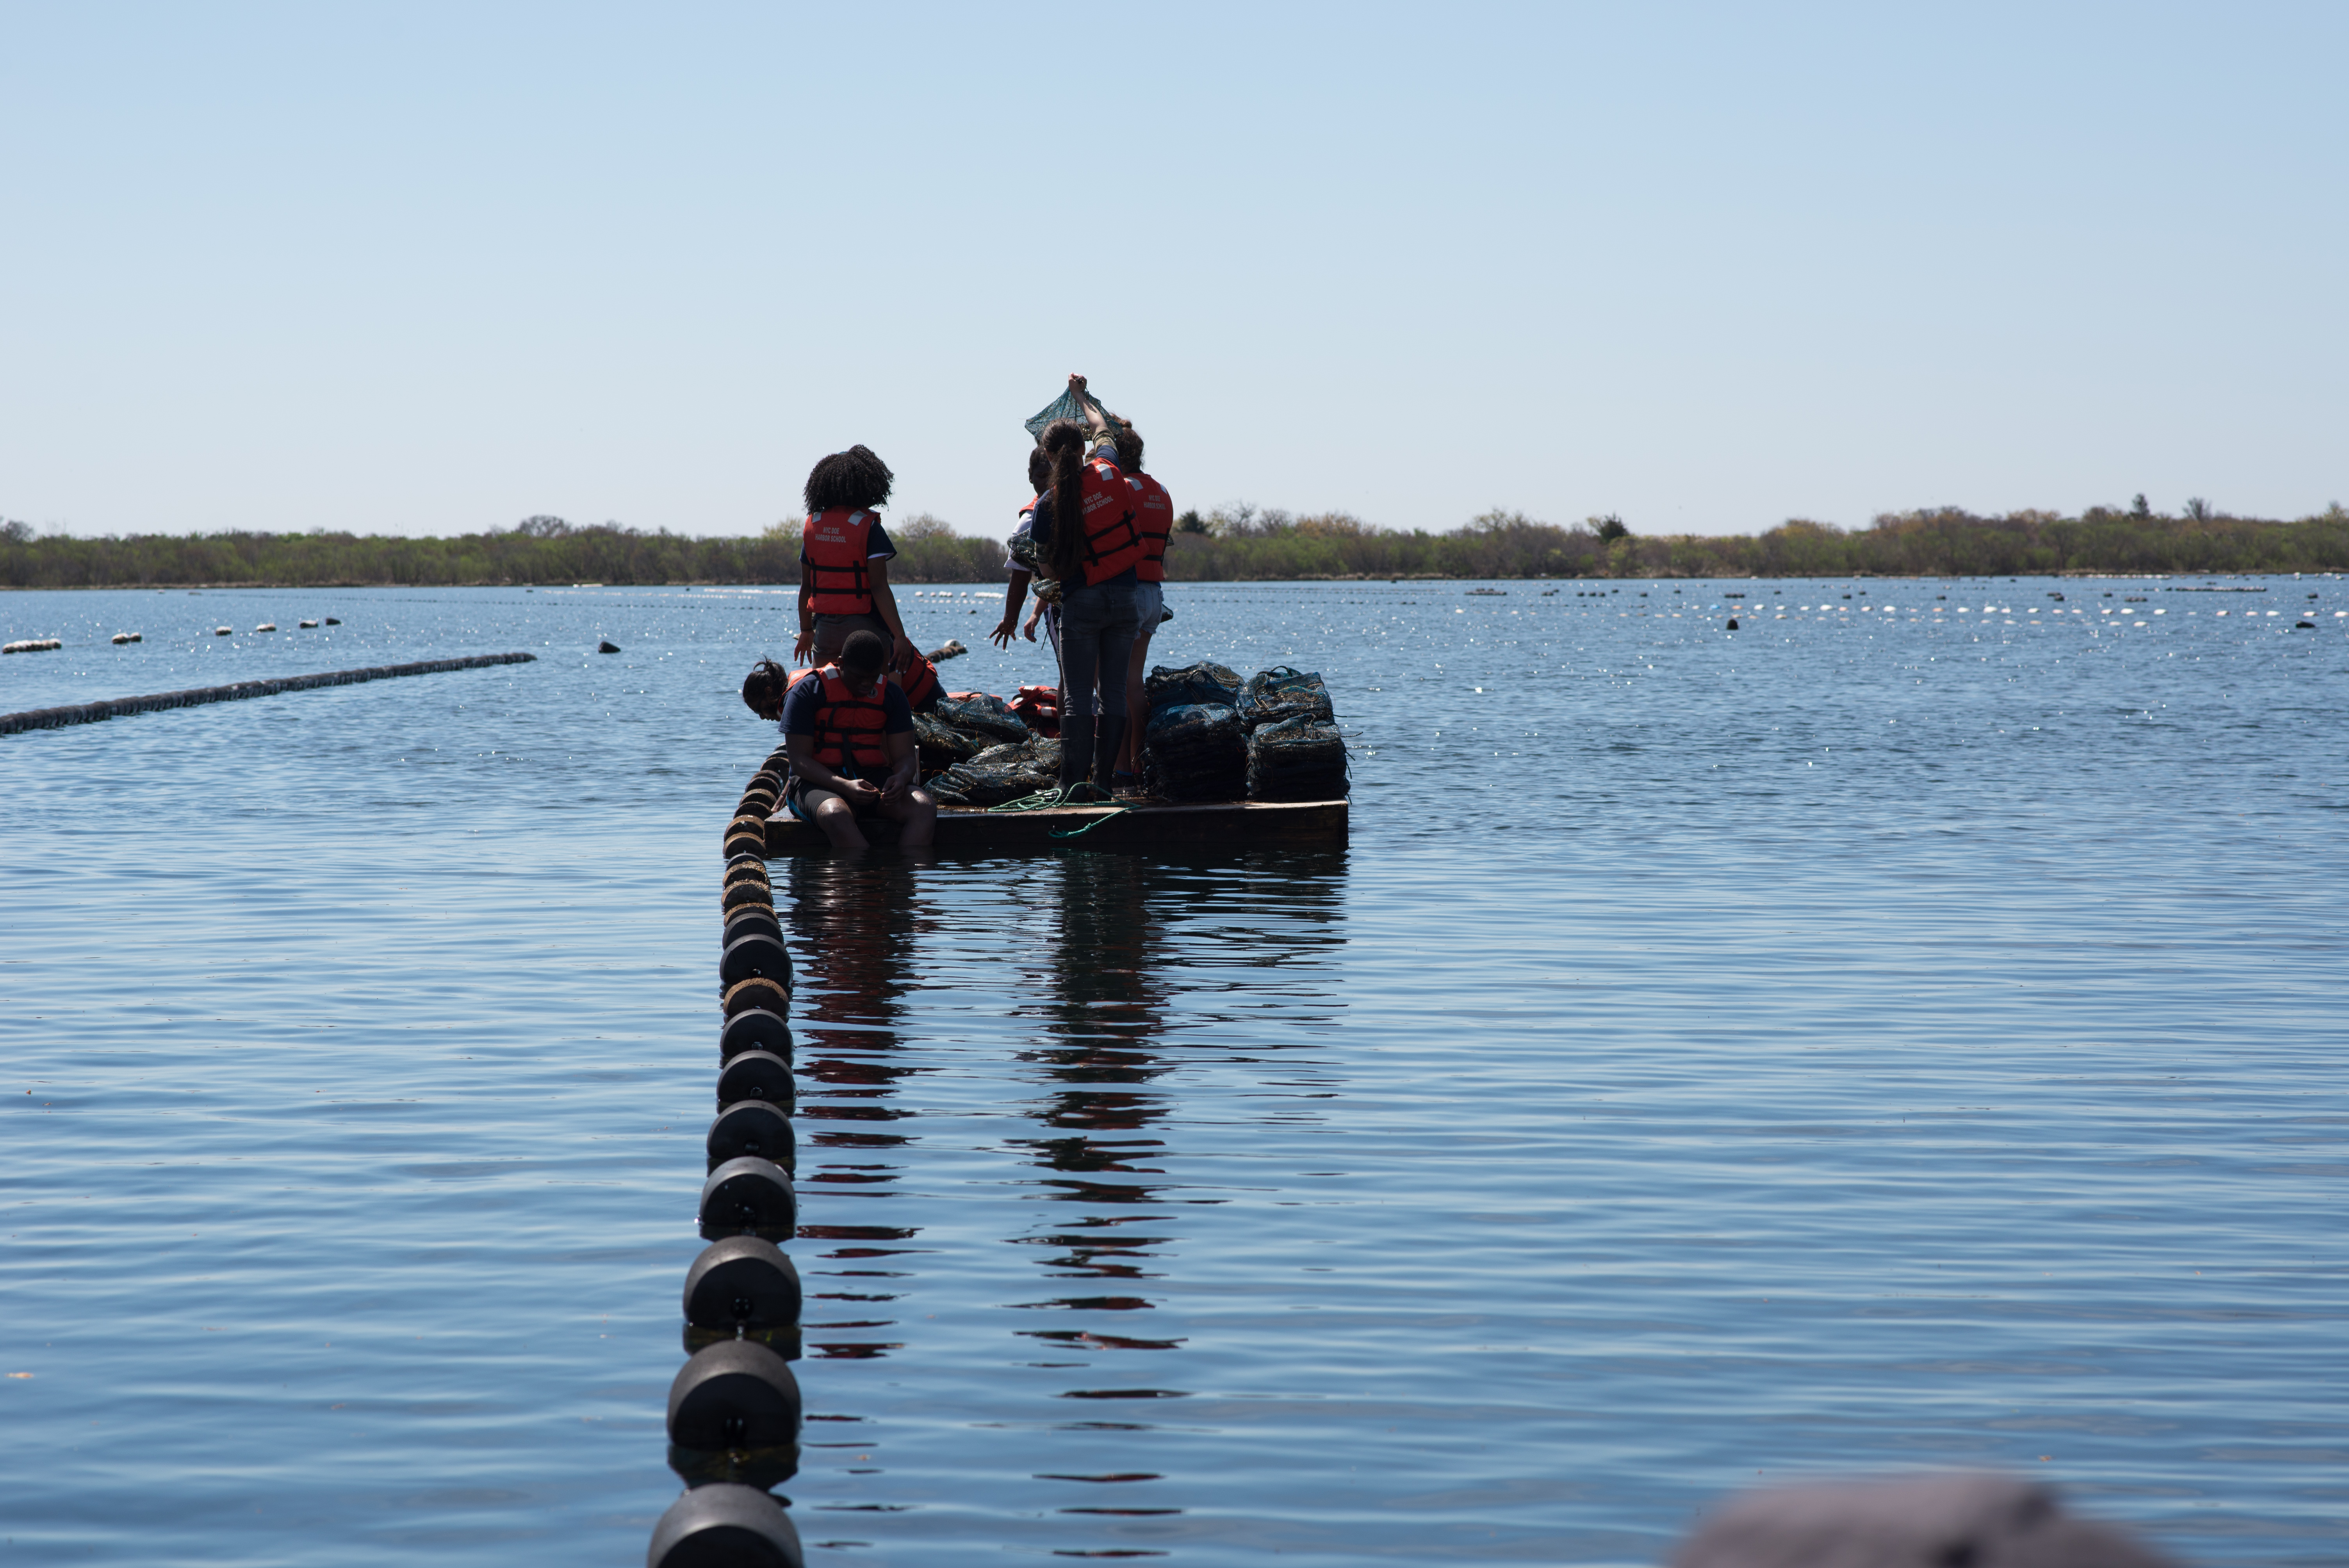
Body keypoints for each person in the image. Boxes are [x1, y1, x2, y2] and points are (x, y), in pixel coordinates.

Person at [1028, 374, 1145, 800]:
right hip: (1126, 599)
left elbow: (1046, 567)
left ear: (1047, 456)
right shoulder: (1110, 469)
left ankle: (1071, 785)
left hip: (1082, 602)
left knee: (1078, 696)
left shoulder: (1048, 503)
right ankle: (1104, 784)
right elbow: (1102, 426)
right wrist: (1080, 396)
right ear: (1084, 448)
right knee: (1113, 692)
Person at [742, 633, 936, 851]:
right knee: (836, 814)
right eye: (859, 677)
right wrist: (845, 786)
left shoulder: (892, 695)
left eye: (872, 678)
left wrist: (900, 778)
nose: (866, 684)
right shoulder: (806, 692)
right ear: (841, 664)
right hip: (815, 784)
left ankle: (905, 870)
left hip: (871, 781)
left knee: (924, 808)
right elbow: (799, 762)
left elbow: (906, 758)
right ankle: (865, 870)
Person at [795, 445, 916, 673]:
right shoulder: (868, 527)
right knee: (885, 683)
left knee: (826, 689)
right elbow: (879, 587)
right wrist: (900, 636)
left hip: (825, 631)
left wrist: (806, 630)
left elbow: (806, 588)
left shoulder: (814, 527)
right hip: (865, 631)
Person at [1111, 422, 1173, 788]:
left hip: (1129, 593)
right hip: (1154, 595)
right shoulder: (1161, 491)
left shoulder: (1120, 488)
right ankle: (1137, 764)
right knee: (1133, 683)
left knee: (1115, 686)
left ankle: (1122, 767)